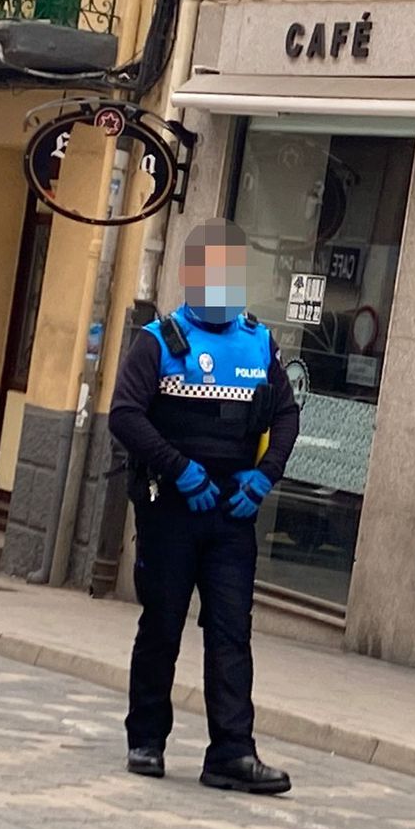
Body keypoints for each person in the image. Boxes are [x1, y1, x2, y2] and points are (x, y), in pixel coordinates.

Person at [109, 222, 301, 795]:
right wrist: (179, 468)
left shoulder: (258, 343)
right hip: (171, 510)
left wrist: (264, 478)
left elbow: (287, 417)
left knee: (229, 634)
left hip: (232, 516)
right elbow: (125, 414)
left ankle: (232, 754)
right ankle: (146, 740)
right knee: (162, 626)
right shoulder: (158, 341)